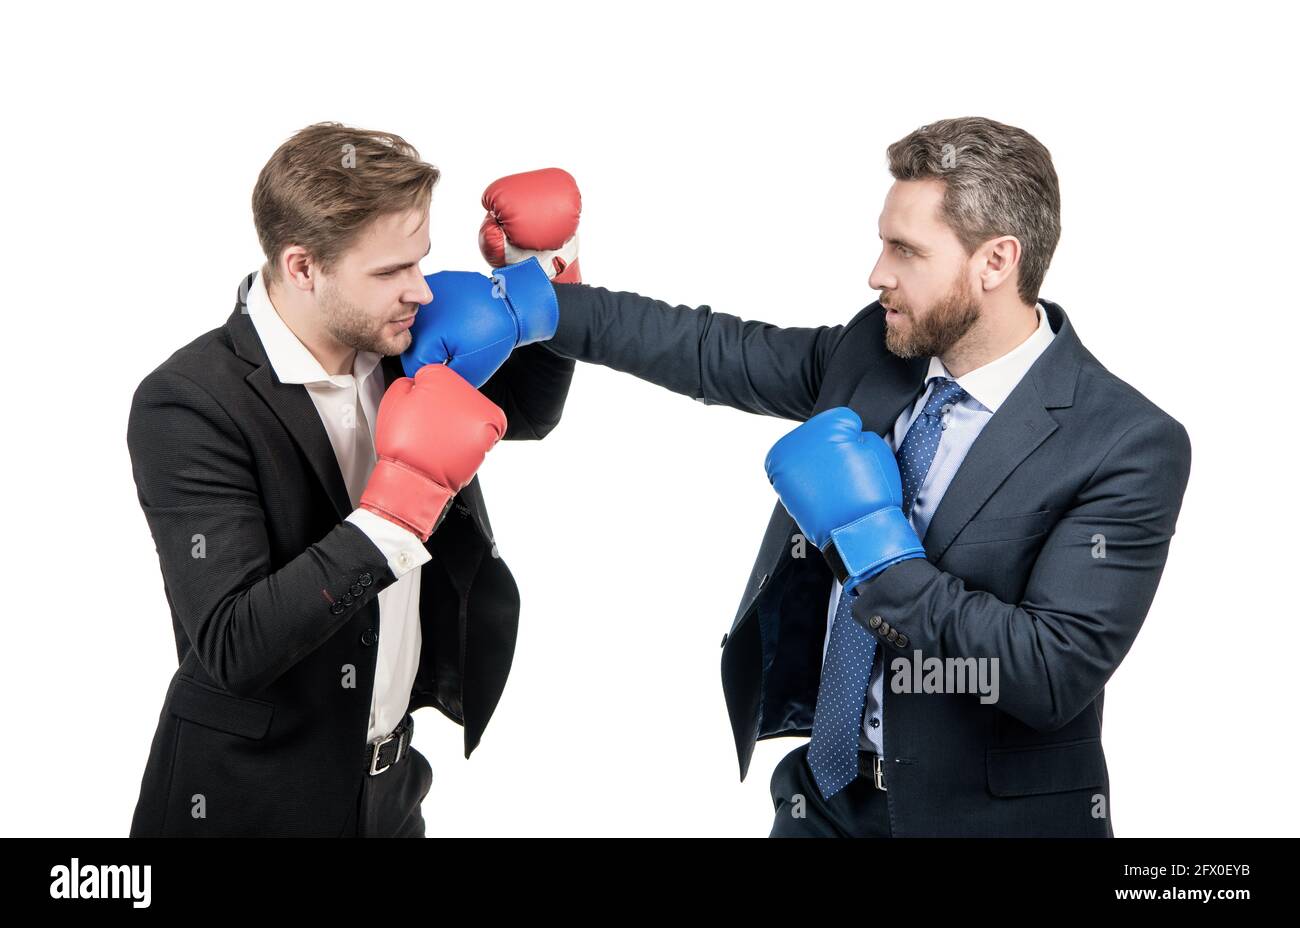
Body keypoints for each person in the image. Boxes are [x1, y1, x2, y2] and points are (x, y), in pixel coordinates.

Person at [477, 117, 1191, 837]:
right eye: (884, 242)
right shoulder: (877, 349)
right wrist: (542, 303)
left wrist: (879, 551)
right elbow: (711, 349)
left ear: (996, 262)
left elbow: (1051, 673)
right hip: (823, 801)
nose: (877, 273)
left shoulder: (1126, 442)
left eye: (905, 251)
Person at [127, 122, 574, 837]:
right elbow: (234, 646)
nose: (422, 292)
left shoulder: (400, 347)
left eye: (420, 261)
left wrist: (543, 276)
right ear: (303, 267)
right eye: (391, 271)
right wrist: (397, 512)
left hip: (392, 793)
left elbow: (528, 411)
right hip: (249, 805)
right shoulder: (189, 401)